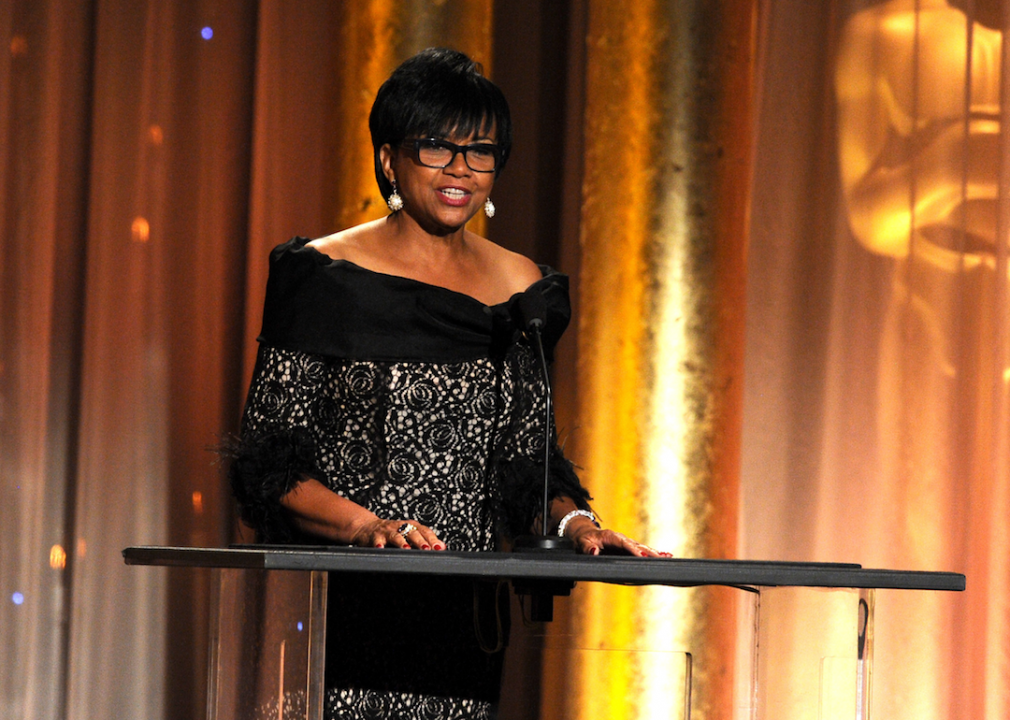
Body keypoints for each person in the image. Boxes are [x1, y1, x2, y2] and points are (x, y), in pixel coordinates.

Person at [230, 47, 664, 720]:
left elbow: (528, 462)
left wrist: (577, 523)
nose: (461, 169)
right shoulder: (320, 276)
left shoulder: (523, 287)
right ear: (389, 159)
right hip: (341, 607)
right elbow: (268, 467)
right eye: (437, 147)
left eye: (481, 151)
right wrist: (369, 529)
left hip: (462, 616)